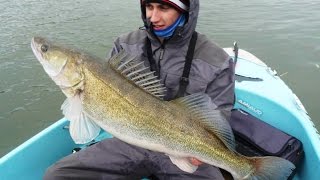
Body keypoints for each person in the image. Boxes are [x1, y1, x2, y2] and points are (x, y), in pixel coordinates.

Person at [44, 0, 235, 179]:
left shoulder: (218, 61)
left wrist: (200, 154)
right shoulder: (124, 45)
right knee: (58, 175)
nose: (153, 17)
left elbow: (219, 117)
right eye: (149, 6)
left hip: (186, 148)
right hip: (131, 143)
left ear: (185, 9)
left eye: (163, 7)